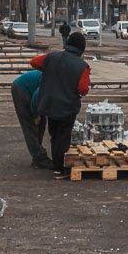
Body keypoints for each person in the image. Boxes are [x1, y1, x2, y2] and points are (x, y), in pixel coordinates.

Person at [30, 31, 91, 179]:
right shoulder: (82, 66)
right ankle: (61, 169)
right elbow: (83, 89)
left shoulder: (52, 57)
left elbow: (34, 62)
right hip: (68, 106)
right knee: (63, 137)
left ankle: (57, 165)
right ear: (82, 48)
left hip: (50, 104)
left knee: (54, 135)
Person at [10, 69, 50, 169]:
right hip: (22, 89)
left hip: (33, 90)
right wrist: (35, 115)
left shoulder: (58, 81)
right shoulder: (50, 82)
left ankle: (38, 155)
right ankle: (39, 158)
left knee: (42, 124)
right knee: (30, 125)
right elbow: (35, 98)